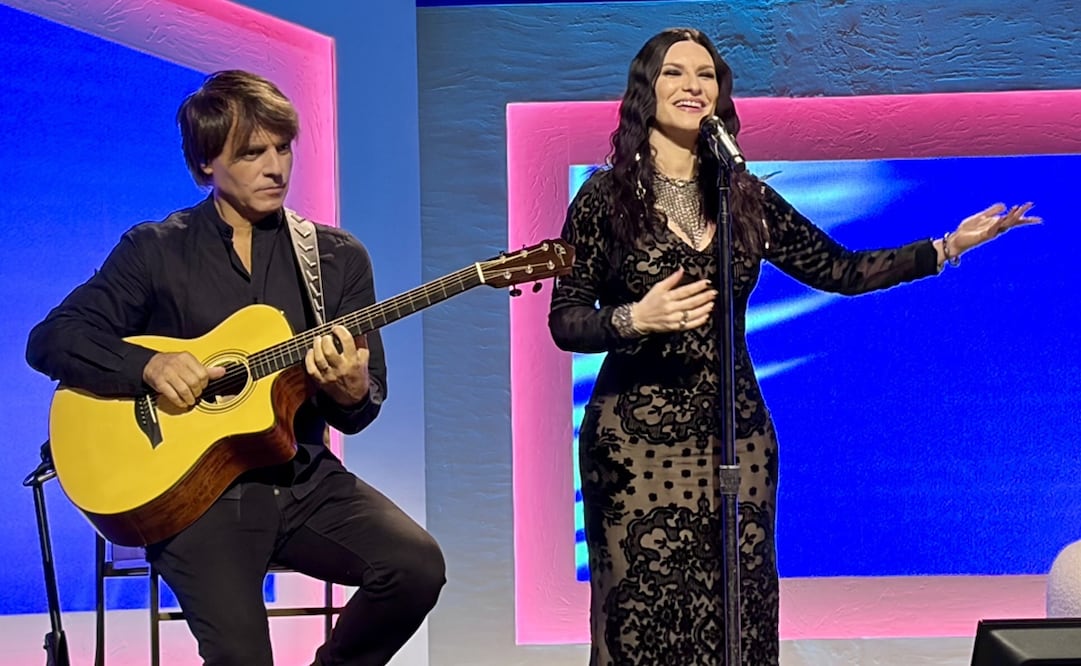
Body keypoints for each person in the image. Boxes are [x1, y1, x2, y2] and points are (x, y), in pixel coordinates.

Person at [548, 28, 1038, 666]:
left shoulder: (743, 196)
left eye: (706, 74)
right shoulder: (604, 200)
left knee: (740, 616)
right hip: (635, 445)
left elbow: (842, 270)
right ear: (646, 88)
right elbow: (566, 319)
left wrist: (946, 248)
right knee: (643, 623)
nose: (692, 85)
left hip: (737, 439)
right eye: (674, 72)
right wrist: (635, 318)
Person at [25, 70, 445, 666]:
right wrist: (147, 365)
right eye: (252, 153)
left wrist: (351, 391)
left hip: (302, 480)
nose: (276, 167)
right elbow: (51, 339)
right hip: (194, 497)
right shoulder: (155, 249)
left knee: (416, 566)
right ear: (205, 166)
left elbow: (358, 411)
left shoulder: (334, 258)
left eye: (283, 148)